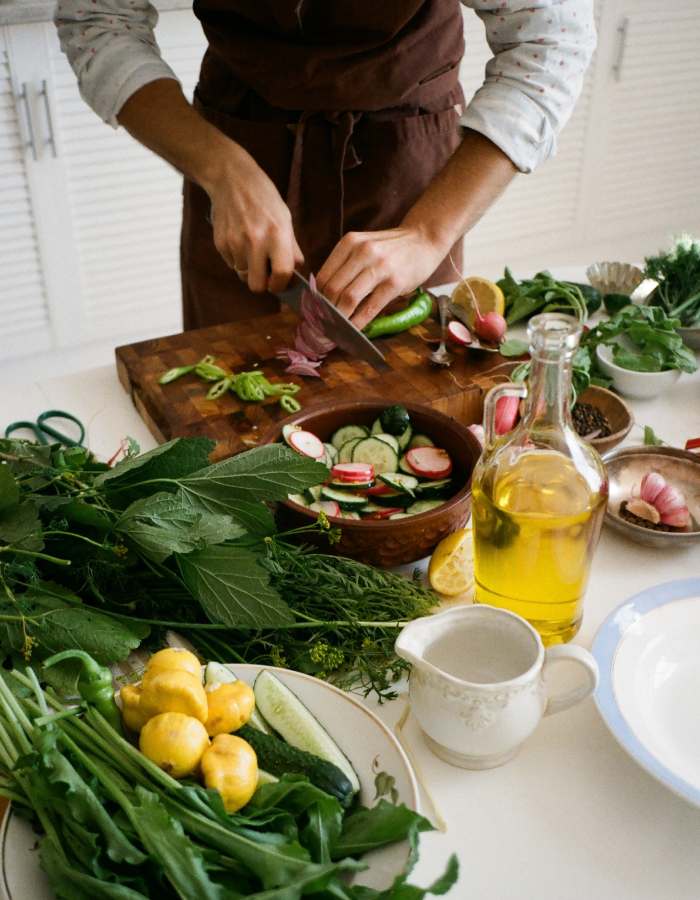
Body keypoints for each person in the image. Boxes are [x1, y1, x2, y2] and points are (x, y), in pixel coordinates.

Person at [55, 1, 595, 332]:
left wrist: (428, 233)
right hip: (236, 142)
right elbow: (98, 21)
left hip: (403, 164)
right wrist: (222, 169)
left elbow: (550, 42)